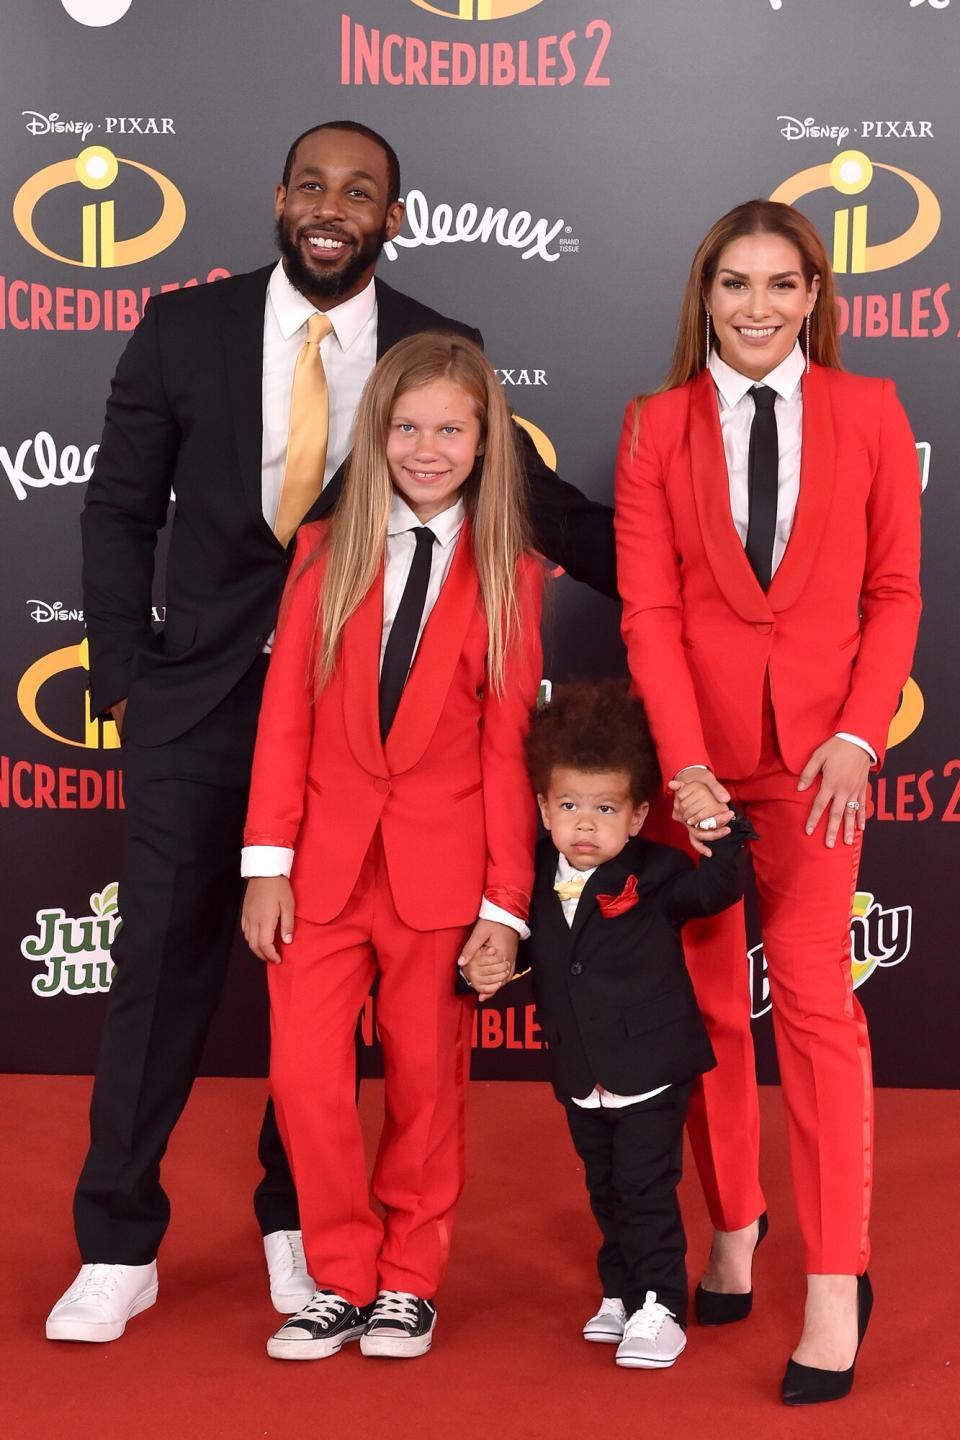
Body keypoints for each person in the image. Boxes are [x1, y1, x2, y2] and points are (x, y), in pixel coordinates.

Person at [49, 119, 616, 1345]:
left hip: (370, 707)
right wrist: (121, 673)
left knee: (313, 998)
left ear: (390, 218)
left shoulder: (432, 351)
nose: (331, 205)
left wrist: (696, 576)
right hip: (202, 699)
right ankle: (117, 1243)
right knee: (160, 967)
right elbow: (116, 505)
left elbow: (538, 507)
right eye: (312, 184)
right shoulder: (184, 327)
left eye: (359, 192)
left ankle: (296, 1227)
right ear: (279, 199)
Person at [614, 199, 921, 1403]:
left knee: (813, 1011)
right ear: (705, 294)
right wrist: (683, 769)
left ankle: (836, 1277)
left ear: (814, 295)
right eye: (734, 284)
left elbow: (894, 591)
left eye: (780, 285)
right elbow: (646, 609)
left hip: (818, 774)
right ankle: (733, 1223)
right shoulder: (654, 427)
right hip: (693, 773)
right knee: (706, 1016)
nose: (756, 308)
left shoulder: (871, 412)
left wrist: (857, 731)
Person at [240, 331, 541, 1361]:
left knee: (425, 1084)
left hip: (441, 879)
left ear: (483, 440)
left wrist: (506, 906)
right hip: (319, 872)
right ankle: (339, 1276)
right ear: (377, 433)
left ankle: (409, 1280)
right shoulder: (325, 554)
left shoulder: (512, 573)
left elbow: (508, 753)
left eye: (449, 429)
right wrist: (265, 863)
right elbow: (285, 717)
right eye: (408, 426)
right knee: (306, 1081)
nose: (427, 447)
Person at [508, 679, 752, 1370]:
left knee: (646, 1189)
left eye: (605, 808)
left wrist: (721, 836)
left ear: (640, 815)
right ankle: (620, 1292)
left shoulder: (659, 873)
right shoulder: (529, 875)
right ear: (543, 808)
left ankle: (663, 1305)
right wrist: (481, 969)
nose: (585, 824)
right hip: (582, 1073)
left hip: (650, 1071)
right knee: (605, 1188)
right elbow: (522, 948)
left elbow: (719, 889)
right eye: (569, 806)